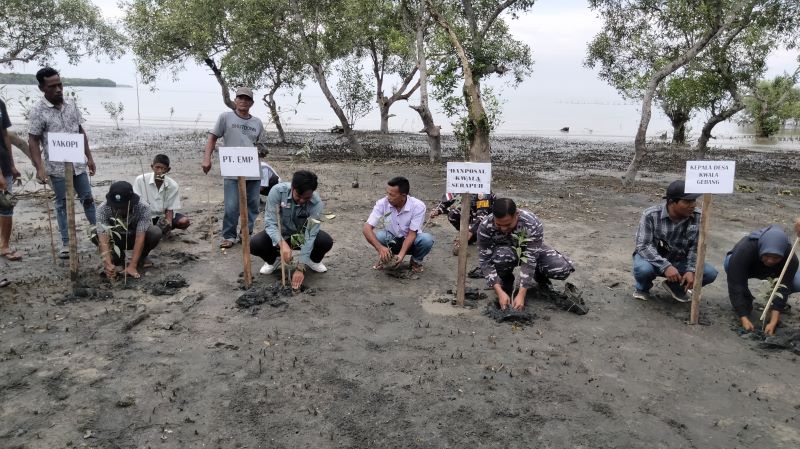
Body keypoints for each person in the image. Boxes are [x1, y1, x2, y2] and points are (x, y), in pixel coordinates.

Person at [27, 67, 97, 259]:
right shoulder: (37, 110)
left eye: (60, 84)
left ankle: (99, 234)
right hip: (56, 168)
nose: (58, 89)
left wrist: (89, 157)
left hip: (78, 164)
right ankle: (66, 243)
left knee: (88, 199)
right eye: (52, 86)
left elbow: (80, 131)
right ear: (42, 88)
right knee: (62, 204)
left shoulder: (71, 104)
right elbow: (33, 140)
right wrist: (39, 167)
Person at [477, 198, 574, 311]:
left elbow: (530, 258)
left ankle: (539, 274)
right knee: (501, 257)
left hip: (530, 250)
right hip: (505, 252)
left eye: (508, 225)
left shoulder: (531, 222)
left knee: (561, 269)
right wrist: (499, 292)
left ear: (516, 214)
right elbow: (485, 261)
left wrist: (521, 294)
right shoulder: (485, 226)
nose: (503, 229)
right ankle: (505, 280)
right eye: (498, 225)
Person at [633, 180, 718, 301]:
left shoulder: (699, 217)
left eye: (694, 200)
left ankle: (675, 286)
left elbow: (696, 248)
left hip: (680, 260)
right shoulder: (651, 215)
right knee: (643, 269)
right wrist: (666, 266)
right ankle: (642, 288)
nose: (693, 205)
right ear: (671, 202)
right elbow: (643, 246)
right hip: (653, 258)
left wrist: (691, 269)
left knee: (709, 273)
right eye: (687, 201)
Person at [201, 86, 264, 249]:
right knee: (231, 205)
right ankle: (229, 235)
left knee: (253, 204)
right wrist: (207, 158)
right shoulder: (225, 117)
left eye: (247, 98)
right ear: (235, 100)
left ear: (252, 103)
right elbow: (212, 138)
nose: (243, 101)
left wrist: (263, 151)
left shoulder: (257, 122)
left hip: (253, 170)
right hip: (232, 168)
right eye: (240, 98)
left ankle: (246, 233)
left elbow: (259, 144)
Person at [251, 170, 332, 289]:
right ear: (293, 187)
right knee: (255, 244)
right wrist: (282, 244)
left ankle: (310, 260)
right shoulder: (277, 192)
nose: (302, 201)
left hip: (300, 238)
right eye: (299, 197)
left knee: (325, 241)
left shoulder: (316, 204)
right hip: (281, 237)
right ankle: (274, 260)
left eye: (307, 198)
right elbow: (270, 224)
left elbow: (310, 235)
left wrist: (300, 267)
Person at [724, 225, 800, 335]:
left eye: (776, 257)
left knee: (797, 282)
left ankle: (773, 306)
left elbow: (784, 287)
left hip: (774, 273)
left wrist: (773, 321)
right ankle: (746, 298)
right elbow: (736, 284)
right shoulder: (745, 249)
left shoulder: (790, 259)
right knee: (730, 265)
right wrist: (743, 317)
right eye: (767, 256)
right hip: (749, 267)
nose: (770, 261)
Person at [363, 176, 434, 273]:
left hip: (412, 241)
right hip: (392, 240)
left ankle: (416, 261)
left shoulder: (418, 206)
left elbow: (412, 234)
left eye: (392, 195)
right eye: (387, 193)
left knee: (427, 240)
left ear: (403, 195)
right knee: (380, 236)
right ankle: (386, 258)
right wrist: (380, 248)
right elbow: (366, 228)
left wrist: (401, 255)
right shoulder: (382, 203)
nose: (388, 197)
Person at [92, 181, 161, 279]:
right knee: (95, 233)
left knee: (155, 232)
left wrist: (132, 266)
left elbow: (140, 237)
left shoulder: (143, 207)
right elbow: (103, 238)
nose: (120, 210)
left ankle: (141, 257)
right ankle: (118, 260)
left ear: (131, 201)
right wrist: (107, 263)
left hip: (135, 236)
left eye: (124, 206)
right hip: (116, 238)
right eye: (117, 207)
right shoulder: (102, 209)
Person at [133, 154, 190, 238]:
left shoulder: (173, 185)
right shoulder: (140, 180)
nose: (160, 171)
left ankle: (160, 230)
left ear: (168, 169)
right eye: (157, 167)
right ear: (152, 167)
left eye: (163, 168)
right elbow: (136, 204)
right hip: (144, 217)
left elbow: (170, 209)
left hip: (161, 218)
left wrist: (168, 225)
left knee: (184, 221)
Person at [430, 192, 496, 254]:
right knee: (453, 214)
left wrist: (469, 231)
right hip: (471, 212)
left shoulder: (483, 191)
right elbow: (446, 200)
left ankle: (471, 235)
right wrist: (437, 210)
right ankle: (470, 238)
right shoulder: (461, 184)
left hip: (489, 219)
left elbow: (482, 216)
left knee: (487, 238)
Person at [1, 97, 22, 263]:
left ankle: (4, 246)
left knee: (6, 206)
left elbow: (5, 135)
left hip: (4, 163)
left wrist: (11, 164)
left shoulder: (0, 104)